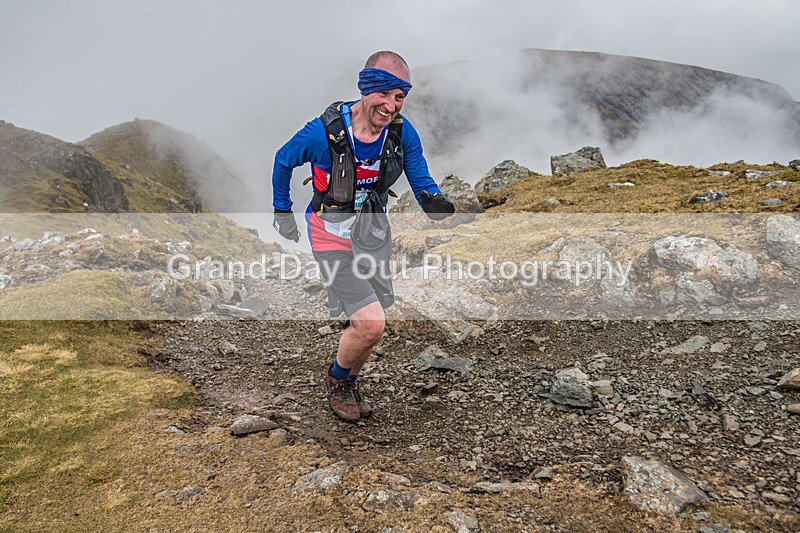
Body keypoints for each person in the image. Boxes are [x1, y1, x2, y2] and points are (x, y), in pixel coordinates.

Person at [271, 50, 455, 421]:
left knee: (370, 323)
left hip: (371, 235)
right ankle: (338, 380)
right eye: (384, 95)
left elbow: (418, 171)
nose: (390, 106)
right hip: (329, 236)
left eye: (399, 97)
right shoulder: (322, 134)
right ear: (365, 90)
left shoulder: (402, 131)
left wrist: (431, 199)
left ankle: (350, 381)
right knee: (371, 323)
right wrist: (281, 210)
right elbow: (282, 159)